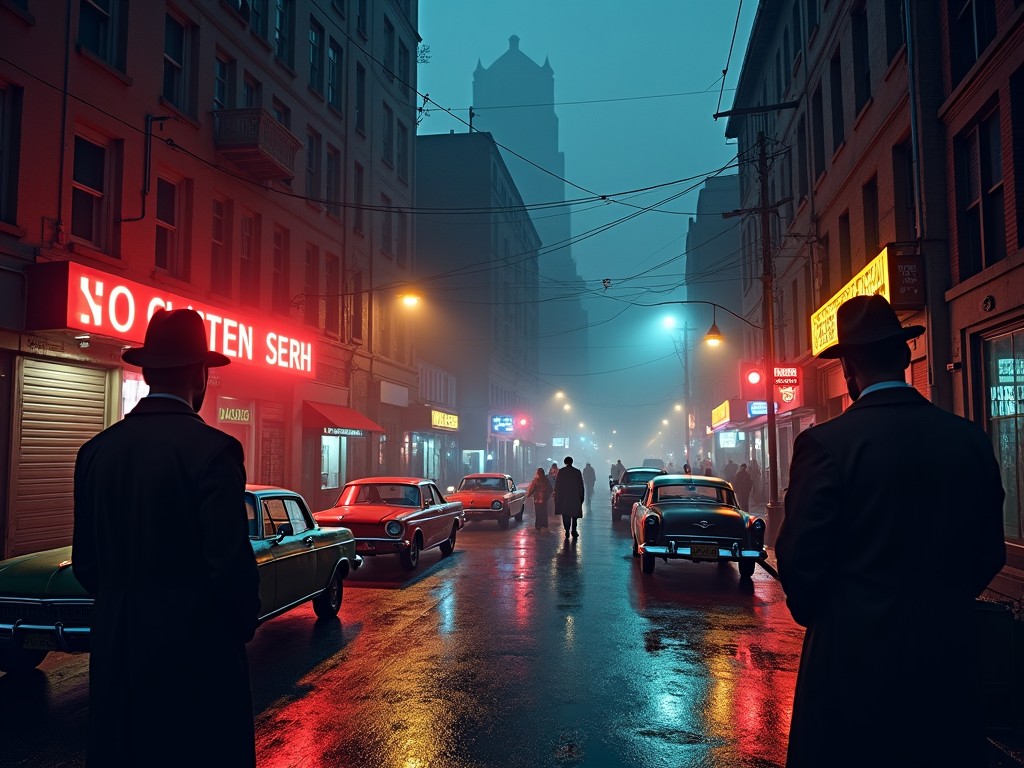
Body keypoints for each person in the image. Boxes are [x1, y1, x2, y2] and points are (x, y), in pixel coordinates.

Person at [776, 295, 1006, 768]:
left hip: (851, 672)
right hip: (948, 666)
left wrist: (839, 615)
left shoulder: (824, 445)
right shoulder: (969, 439)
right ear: (904, 357)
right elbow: (990, 552)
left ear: (848, 369)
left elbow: (800, 564)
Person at [73, 309, 261, 768]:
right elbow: (230, 568)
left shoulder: (96, 451)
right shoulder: (215, 451)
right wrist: (236, 629)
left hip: (117, 659)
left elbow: (86, 565)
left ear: (146, 370)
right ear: (200, 374)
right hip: (194, 663)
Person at [554, 455, 585, 538]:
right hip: (574, 497)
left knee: (565, 514)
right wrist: (581, 497)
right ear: (572, 462)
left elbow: (557, 485)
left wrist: (557, 496)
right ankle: (574, 531)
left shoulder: (561, 472)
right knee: (574, 516)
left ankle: (567, 530)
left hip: (564, 497)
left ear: (565, 462)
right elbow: (581, 486)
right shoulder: (577, 472)